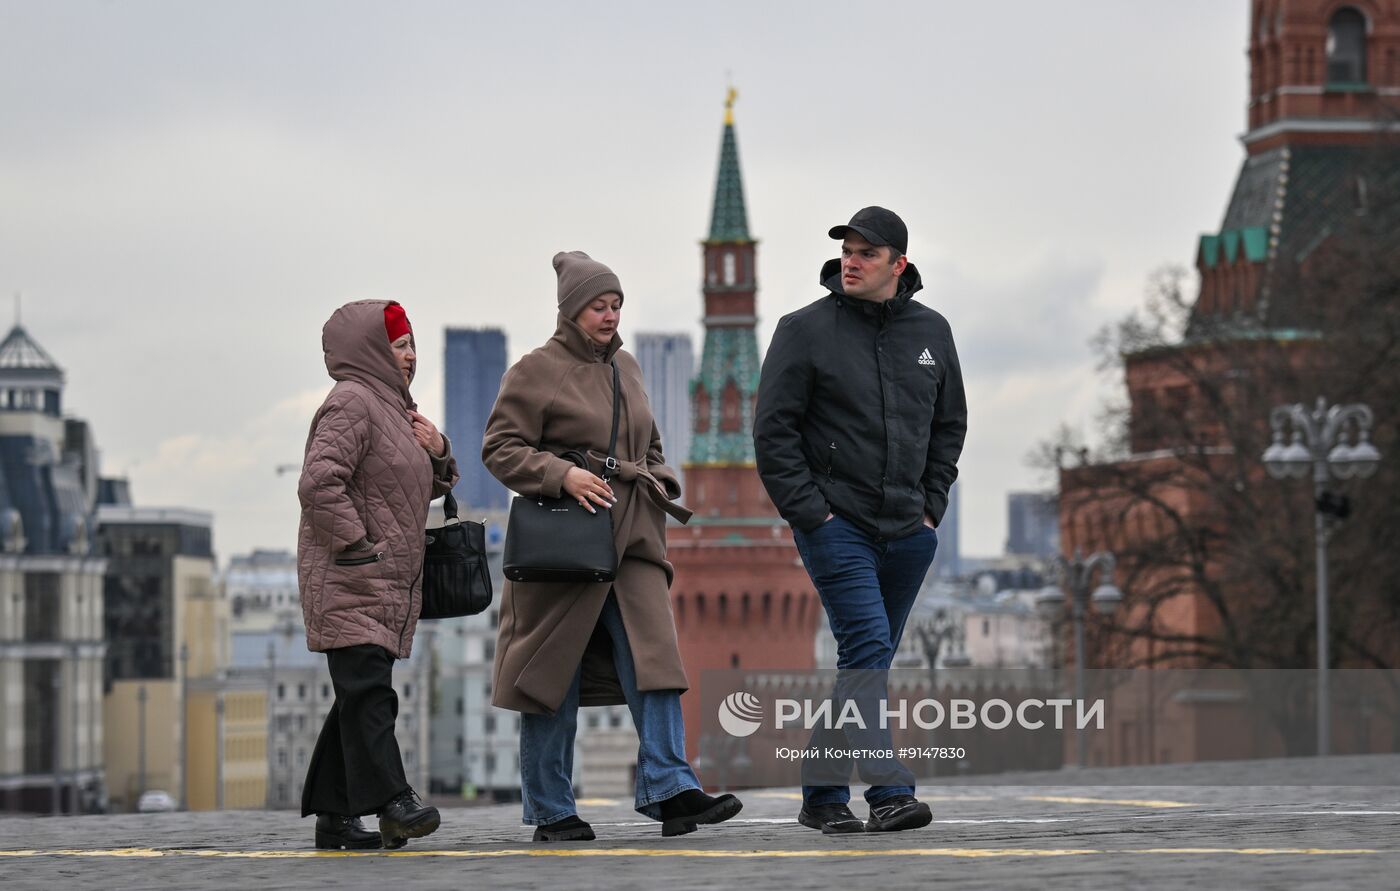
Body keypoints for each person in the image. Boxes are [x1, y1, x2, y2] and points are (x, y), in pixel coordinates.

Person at [482, 251, 743, 841]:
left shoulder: (628, 365)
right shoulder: (535, 370)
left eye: (616, 303)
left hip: (634, 542)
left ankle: (671, 790)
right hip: (564, 545)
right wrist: (562, 476)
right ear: (571, 310)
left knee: (657, 663)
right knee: (551, 675)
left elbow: (648, 442)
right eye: (599, 305)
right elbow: (499, 447)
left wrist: (660, 476)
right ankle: (551, 810)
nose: (610, 314)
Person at [754, 207, 967, 834]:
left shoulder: (933, 332)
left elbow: (950, 424)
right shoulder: (805, 330)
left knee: (862, 662)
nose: (851, 261)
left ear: (898, 265)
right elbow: (773, 432)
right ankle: (888, 792)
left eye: (867, 253)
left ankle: (821, 797)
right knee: (869, 649)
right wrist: (811, 513)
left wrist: (932, 506)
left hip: (908, 529)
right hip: (836, 523)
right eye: (847, 250)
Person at [296, 299, 459, 850]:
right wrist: (358, 544)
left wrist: (439, 452)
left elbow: (407, 485)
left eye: (412, 344)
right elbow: (319, 483)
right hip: (352, 576)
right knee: (370, 696)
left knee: (357, 698)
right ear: (371, 350)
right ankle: (395, 802)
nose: (410, 356)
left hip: (382, 580)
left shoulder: (393, 409)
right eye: (398, 345)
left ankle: (334, 817)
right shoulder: (352, 403)